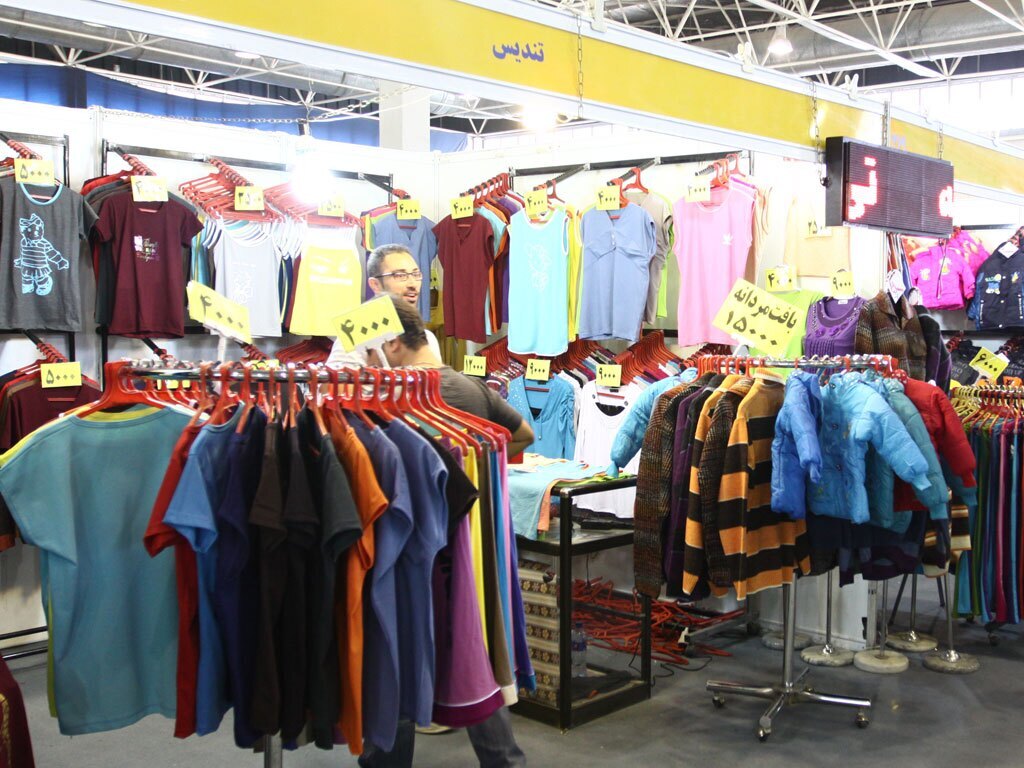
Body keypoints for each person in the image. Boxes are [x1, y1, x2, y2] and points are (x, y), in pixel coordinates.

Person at [358, 296, 531, 768]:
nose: (369, 360)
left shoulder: (390, 402)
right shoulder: (471, 388)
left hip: (410, 538)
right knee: (470, 646)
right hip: (472, 535)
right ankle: (503, 760)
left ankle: (386, 760)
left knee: (397, 646)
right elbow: (522, 435)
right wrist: (482, 462)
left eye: (372, 349)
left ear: (393, 344)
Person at [328, 243, 442, 367]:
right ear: (375, 285)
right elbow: (337, 378)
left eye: (416, 274)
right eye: (400, 275)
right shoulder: (355, 332)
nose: (413, 284)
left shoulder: (428, 339)